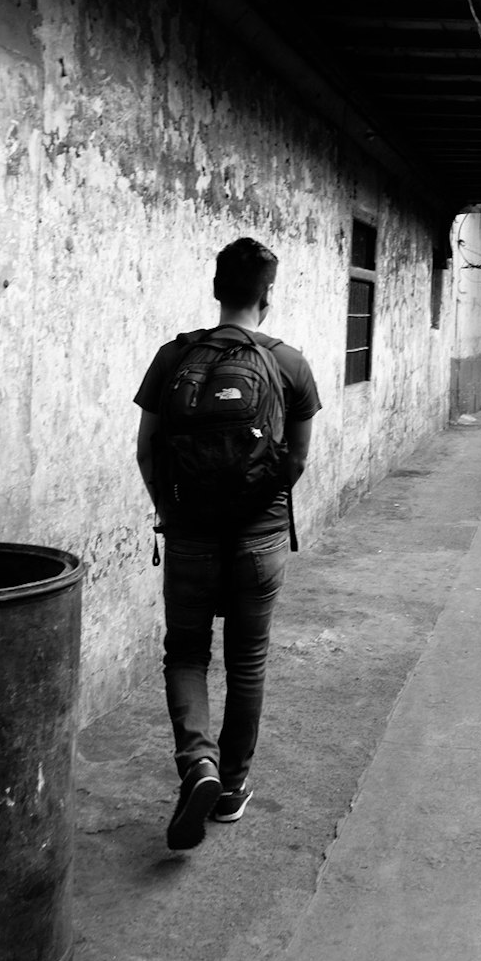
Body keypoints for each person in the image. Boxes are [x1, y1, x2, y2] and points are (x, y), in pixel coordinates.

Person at [135, 237, 321, 851]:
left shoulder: (174, 358)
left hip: (188, 534)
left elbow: (146, 450)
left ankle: (199, 768)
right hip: (260, 540)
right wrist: (259, 506)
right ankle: (234, 786)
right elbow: (296, 458)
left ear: (217, 290)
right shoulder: (289, 364)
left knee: (186, 655)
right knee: (247, 661)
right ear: (268, 294)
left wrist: (172, 511)